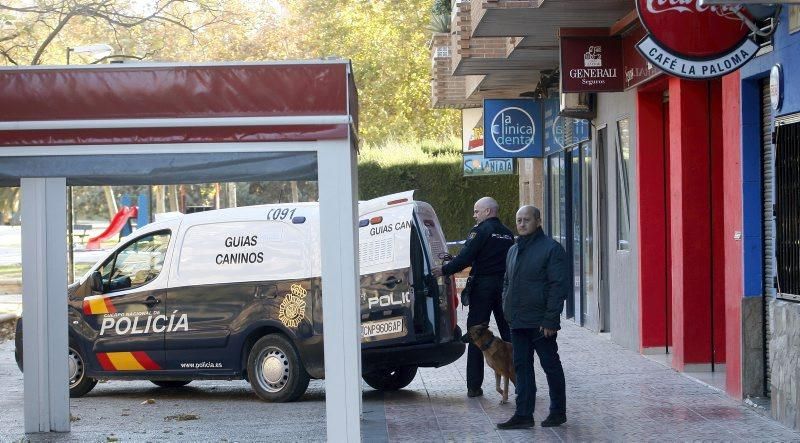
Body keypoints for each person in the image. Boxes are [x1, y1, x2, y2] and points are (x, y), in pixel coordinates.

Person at [432, 196, 514, 398]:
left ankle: (474, 387)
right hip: (504, 287)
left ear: (487, 212)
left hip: (483, 287)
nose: (474, 215)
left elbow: (465, 257)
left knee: (476, 334)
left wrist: (444, 270)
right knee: (511, 335)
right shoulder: (507, 233)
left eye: (477, 211)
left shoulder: (480, 231)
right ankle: (523, 381)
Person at [497, 205, 569, 430]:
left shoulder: (552, 249)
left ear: (538, 221)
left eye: (526, 219)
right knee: (521, 367)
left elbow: (558, 286)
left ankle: (557, 412)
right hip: (517, 321)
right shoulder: (513, 249)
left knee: (550, 366)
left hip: (540, 323)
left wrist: (550, 320)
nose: (521, 224)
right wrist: (507, 309)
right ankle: (523, 414)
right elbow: (507, 281)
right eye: (518, 220)